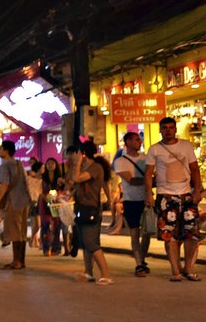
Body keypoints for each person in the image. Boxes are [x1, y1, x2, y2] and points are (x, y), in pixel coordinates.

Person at [144, 116, 203, 282]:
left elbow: (195, 170)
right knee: (169, 234)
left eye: (171, 127)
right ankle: (175, 270)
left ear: (175, 129)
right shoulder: (154, 149)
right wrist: (149, 193)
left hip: (187, 195)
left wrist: (197, 191)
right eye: (164, 128)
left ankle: (188, 268)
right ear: (160, 130)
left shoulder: (185, 145)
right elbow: (148, 174)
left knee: (192, 234)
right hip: (166, 196)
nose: (168, 131)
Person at [68, 139, 113, 285]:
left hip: (91, 208)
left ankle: (106, 274)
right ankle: (89, 272)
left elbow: (77, 178)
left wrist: (77, 163)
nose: (73, 156)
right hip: (81, 207)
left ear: (82, 153)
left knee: (91, 242)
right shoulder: (86, 167)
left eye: (76, 153)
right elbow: (74, 183)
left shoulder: (95, 167)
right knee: (85, 243)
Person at [113, 131, 150, 277]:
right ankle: (138, 263)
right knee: (134, 233)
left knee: (147, 232)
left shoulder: (146, 158)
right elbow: (131, 180)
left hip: (146, 199)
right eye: (135, 140)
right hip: (131, 200)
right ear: (127, 142)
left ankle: (142, 259)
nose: (139, 142)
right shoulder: (120, 161)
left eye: (139, 139)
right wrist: (148, 180)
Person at [0, 140, 32, 271]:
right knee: (22, 232)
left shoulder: (4, 166)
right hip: (24, 201)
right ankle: (21, 261)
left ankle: (16, 261)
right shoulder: (19, 163)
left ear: (6, 151)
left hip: (13, 202)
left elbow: (4, 185)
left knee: (14, 232)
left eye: (1, 148)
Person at [40, 157, 65, 255]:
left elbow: (63, 190)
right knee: (46, 224)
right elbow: (38, 190)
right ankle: (46, 248)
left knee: (57, 225)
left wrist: (58, 195)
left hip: (56, 203)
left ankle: (56, 248)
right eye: (48, 163)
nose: (50, 165)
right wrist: (44, 196)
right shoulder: (42, 178)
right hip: (45, 203)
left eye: (52, 163)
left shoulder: (59, 178)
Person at [26, 160, 44, 249]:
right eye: (42, 167)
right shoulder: (30, 180)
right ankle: (32, 239)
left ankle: (35, 241)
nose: (44, 169)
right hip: (34, 203)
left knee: (38, 224)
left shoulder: (43, 181)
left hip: (42, 203)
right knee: (37, 224)